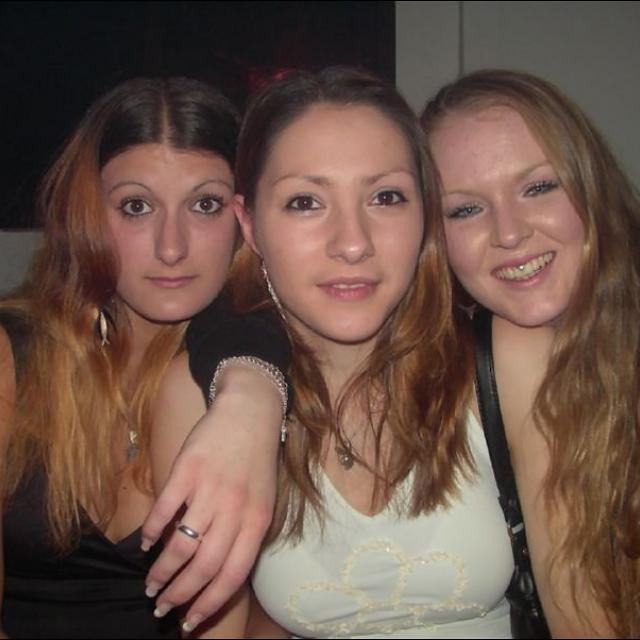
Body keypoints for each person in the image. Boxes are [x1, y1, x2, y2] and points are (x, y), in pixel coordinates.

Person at [152, 66, 515, 638]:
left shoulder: (500, 367)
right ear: (249, 224)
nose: (352, 243)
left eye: (386, 197)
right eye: (305, 202)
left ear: (425, 215)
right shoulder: (198, 397)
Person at [0, 76, 291, 638]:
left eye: (205, 204)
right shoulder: (14, 355)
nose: (171, 246)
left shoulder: (258, 360)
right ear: (87, 213)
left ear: (244, 218)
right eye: (136, 206)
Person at [420, 69, 640, 638]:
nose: (509, 233)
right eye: (465, 210)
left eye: (538, 188)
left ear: (591, 183)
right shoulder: (477, 373)